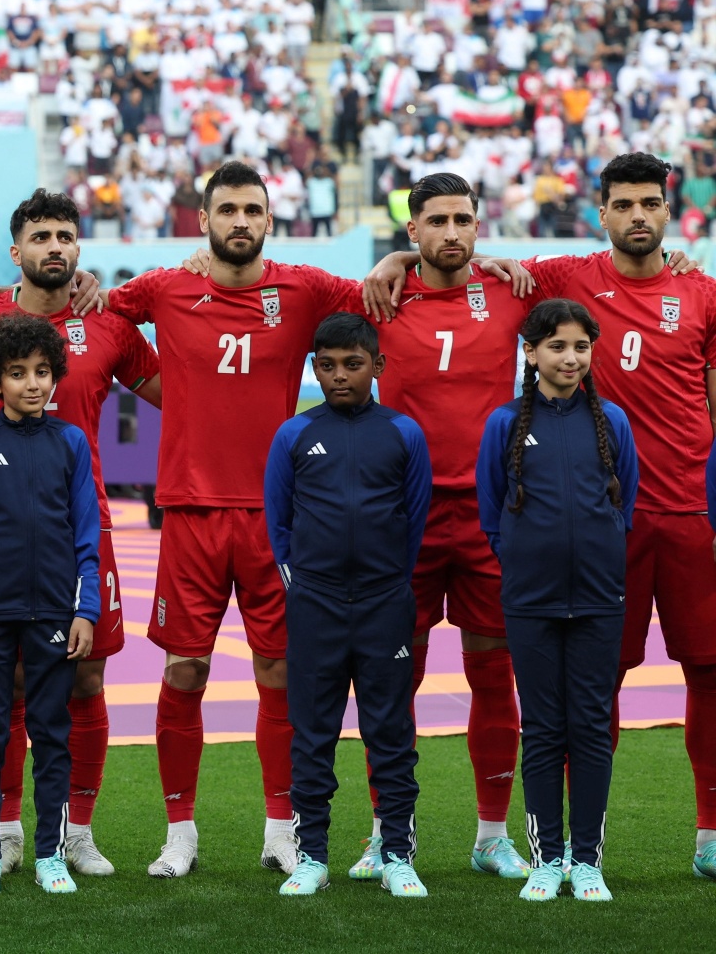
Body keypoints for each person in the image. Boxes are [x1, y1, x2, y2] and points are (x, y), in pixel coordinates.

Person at [367, 150, 716, 877]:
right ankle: (520, 844)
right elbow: (460, 256)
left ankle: (698, 834)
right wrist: (400, 255)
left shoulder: (700, 289)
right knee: (579, 685)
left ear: (668, 207)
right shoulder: (562, 275)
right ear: (600, 212)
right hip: (550, 521)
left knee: (702, 672)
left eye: (650, 203)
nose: (638, 216)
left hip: (680, 511)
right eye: (624, 204)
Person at [105, 160, 362, 878]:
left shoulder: (304, 288)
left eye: (253, 209)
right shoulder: (165, 287)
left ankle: (281, 827)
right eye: (227, 210)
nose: (240, 221)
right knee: (185, 670)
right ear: (203, 220)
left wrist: (404, 252)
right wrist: (160, 387)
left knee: (279, 672)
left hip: (279, 518)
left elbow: (384, 294)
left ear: (270, 219)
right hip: (190, 512)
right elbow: (100, 314)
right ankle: (180, 830)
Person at [0, 189, 161, 876]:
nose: (54, 246)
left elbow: (176, 392)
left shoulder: (108, 320)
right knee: (9, 685)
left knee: (84, 680)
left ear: (78, 249)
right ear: (16, 251)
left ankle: (74, 831)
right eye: (41, 236)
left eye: (65, 235)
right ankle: (2, 828)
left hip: (84, 532)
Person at [361, 172, 531, 881]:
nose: (452, 232)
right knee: (393, 679)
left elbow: (610, 266)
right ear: (413, 232)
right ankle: (386, 834)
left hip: (492, 519)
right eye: (437, 221)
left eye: (464, 219)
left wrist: (677, 259)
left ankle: (492, 836)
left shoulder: (516, 292)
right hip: (404, 520)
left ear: (479, 226)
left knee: (494, 674)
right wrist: (385, 266)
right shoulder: (377, 296)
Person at [264, 313, 431, 899]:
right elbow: (278, 521)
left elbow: (413, 518)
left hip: (386, 603)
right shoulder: (294, 434)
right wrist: (303, 584)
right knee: (313, 731)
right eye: (328, 365)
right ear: (314, 368)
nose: (340, 376)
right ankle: (311, 856)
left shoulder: (403, 433)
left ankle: (397, 854)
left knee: (391, 730)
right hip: (316, 603)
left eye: (353, 365)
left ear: (378, 367)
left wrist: (388, 581)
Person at [476, 299, 638, 903]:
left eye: (580, 348)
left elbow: (625, 504)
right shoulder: (505, 424)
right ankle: (547, 861)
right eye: (557, 347)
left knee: (591, 729)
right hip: (530, 600)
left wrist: (598, 558)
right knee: (544, 730)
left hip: (600, 598)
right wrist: (522, 558)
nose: (570, 358)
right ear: (531, 351)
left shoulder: (613, 422)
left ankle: (587, 860)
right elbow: (491, 509)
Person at [0, 313, 99, 898]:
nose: (32, 384)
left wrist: (85, 611)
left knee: (51, 733)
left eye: (41, 372)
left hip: (56, 613)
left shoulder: (71, 442)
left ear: (55, 375)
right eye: (16, 373)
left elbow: (88, 532)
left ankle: (49, 854)